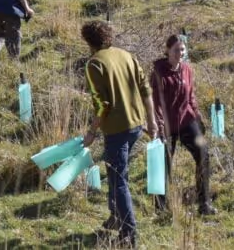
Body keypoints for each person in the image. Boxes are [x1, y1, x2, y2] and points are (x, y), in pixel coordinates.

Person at [81, 20, 157, 248]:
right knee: (115, 172)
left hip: (116, 130)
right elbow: (146, 90)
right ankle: (115, 217)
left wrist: (91, 133)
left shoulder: (94, 65)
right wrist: (152, 122)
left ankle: (129, 235)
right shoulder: (126, 55)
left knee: (119, 180)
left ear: (88, 41)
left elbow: (102, 105)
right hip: (136, 125)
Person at [150, 34, 216, 215]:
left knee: (203, 155)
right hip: (167, 126)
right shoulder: (158, 72)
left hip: (187, 120)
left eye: (183, 49)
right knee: (163, 165)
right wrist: (159, 127)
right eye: (176, 50)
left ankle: (204, 203)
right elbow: (156, 102)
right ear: (167, 51)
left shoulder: (187, 69)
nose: (180, 53)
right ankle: (161, 209)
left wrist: (197, 116)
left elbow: (191, 96)